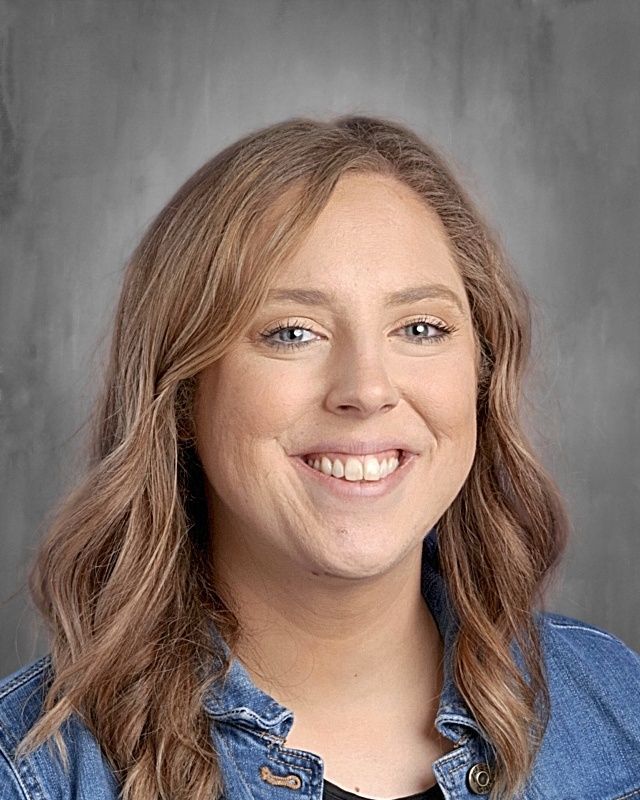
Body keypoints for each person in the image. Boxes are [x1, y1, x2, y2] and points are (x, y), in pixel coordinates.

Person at [0, 115, 639, 800]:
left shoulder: (613, 707)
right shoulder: (37, 770)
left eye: (420, 328)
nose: (366, 389)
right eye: (292, 332)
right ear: (183, 397)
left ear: (480, 375)